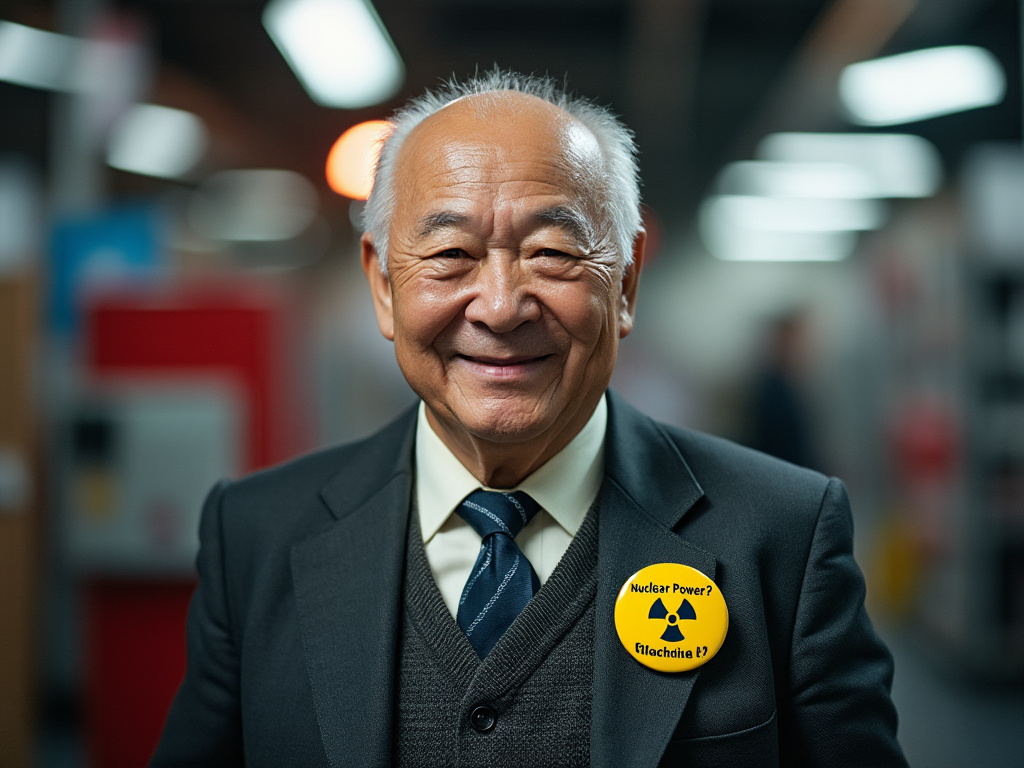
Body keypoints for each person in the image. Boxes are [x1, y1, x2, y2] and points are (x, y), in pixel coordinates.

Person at [151, 71, 907, 768]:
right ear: (383, 285)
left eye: (552, 252)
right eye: (450, 254)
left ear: (627, 283)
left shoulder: (783, 535)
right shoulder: (256, 536)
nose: (503, 304)